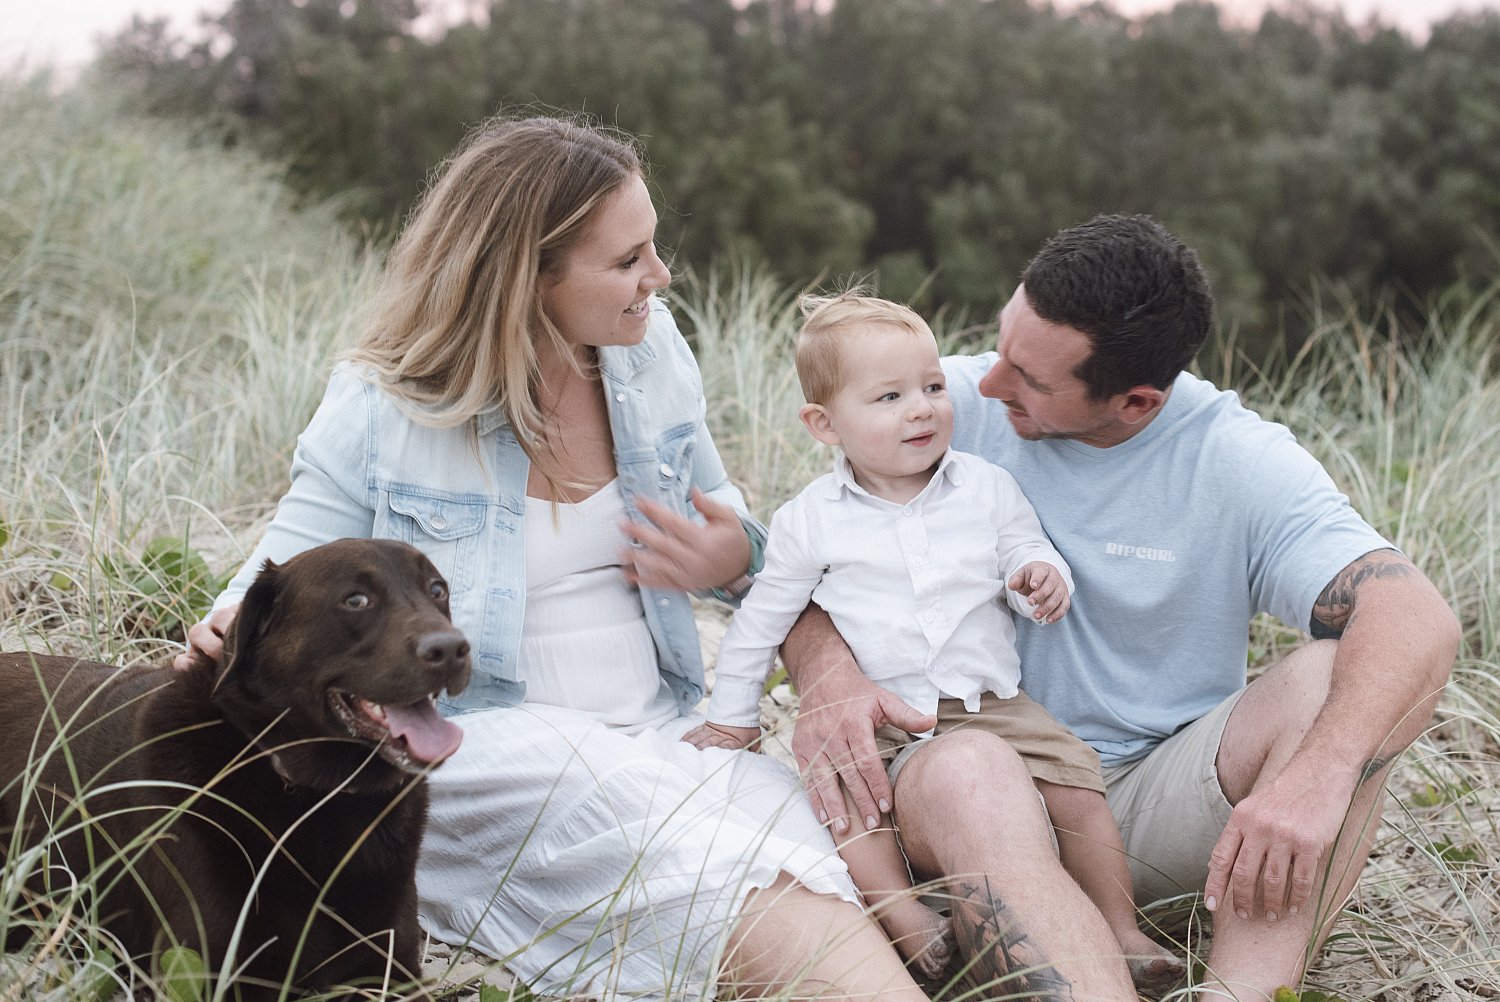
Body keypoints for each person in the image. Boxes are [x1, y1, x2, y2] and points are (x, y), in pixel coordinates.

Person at [178, 115, 936, 1002]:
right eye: (627, 261)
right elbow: (272, 583)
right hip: (494, 748)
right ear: (523, 275)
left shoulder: (652, 358)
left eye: (652, 247)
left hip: (665, 730)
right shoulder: (381, 406)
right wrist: (222, 629)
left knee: (811, 842)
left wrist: (733, 557)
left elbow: (747, 552)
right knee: (732, 869)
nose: (660, 277)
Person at [781, 214, 1460, 999]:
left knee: (1335, 681)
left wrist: (1317, 779)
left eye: (1030, 381)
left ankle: (1239, 993)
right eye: (1003, 344)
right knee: (975, 771)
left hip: (1143, 806)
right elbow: (780, 564)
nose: (989, 383)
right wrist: (827, 670)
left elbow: (1419, 620)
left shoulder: (1235, 459)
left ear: (1136, 402)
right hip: (952, 775)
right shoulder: (929, 407)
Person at [682, 293, 1184, 991]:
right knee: (849, 806)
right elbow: (762, 623)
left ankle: (1121, 925)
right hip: (882, 713)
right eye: (889, 396)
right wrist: (730, 719)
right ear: (824, 424)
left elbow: (1023, 546)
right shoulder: (810, 521)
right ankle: (905, 919)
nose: (922, 408)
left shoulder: (985, 486)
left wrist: (1039, 574)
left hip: (993, 703)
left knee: (1076, 785)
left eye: (933, 387)